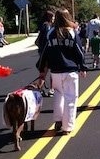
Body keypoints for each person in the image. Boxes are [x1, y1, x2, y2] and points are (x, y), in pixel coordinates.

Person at [37, 7, 88, 135]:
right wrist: (82, 67)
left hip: (56, 71)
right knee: (71, 99)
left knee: (59, 96)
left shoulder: (50, 33)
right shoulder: (72, 33)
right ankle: (68, 126)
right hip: (70, 71)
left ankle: (58, 120)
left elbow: (45, 53)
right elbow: (79, 52)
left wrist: (42, 69)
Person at [36, 10, 55, 97]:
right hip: (47, 52)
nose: (54, 19)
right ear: (50, 18)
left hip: (43, 51)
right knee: (52, 71)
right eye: (53, 17)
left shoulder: (43, 25)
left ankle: (40, 89)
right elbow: (47, 39)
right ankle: (51, 89)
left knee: (43, 71)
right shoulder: (47, 26)